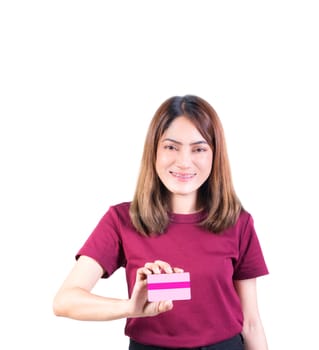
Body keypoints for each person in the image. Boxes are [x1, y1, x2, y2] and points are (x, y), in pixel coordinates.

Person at [53, 95, 269, 350]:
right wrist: (129, 307)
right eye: (171, 147)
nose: (184, 161)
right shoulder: (121, 220)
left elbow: (251, 323)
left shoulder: (238, 223)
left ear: (214, 155)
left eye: (198, 148)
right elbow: (65, 300)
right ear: (154, 151)